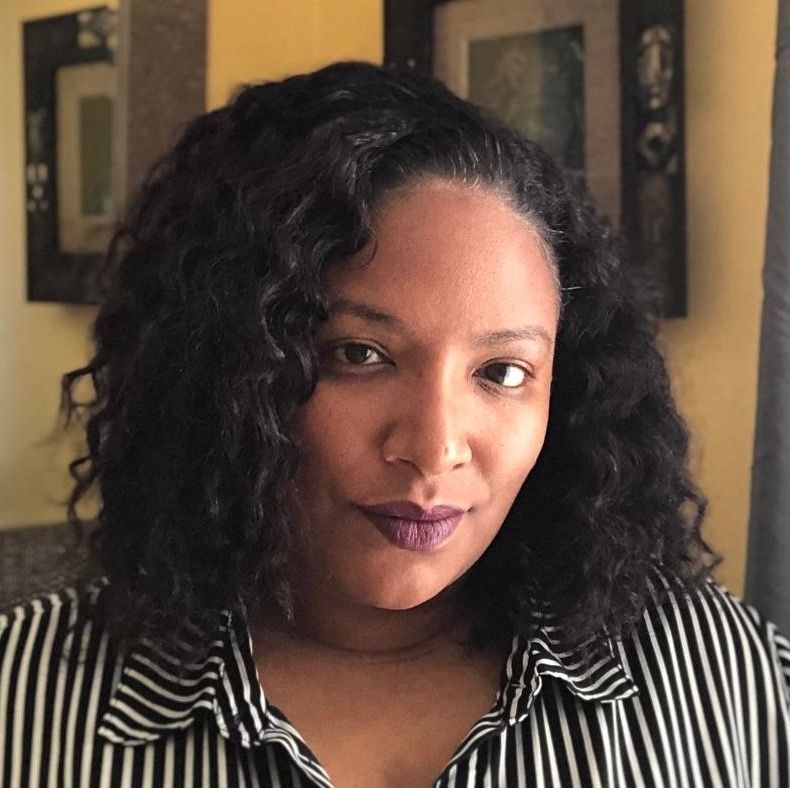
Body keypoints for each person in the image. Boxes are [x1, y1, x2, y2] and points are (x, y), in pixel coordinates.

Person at [1, 61, 788, 788]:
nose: (434, 447)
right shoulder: (25, 701)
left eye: (503, 372)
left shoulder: (729, 683)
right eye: (359, 354)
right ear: (220, 370)